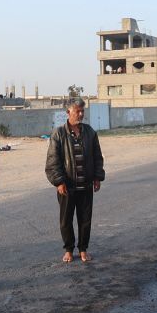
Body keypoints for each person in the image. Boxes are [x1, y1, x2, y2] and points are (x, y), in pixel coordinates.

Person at [44, 98, 105, 263]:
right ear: (68, 113)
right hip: (67, 187)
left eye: (82, 111)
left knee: (85, 220)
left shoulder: (90, 132)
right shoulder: (58, 134)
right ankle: (69, 250)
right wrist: (59, 182)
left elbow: (97, 157)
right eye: (77, 111)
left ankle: (83, 249)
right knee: (66, 220)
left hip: (85, 185)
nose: (81, 114)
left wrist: (98, 177)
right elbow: (52, 161)